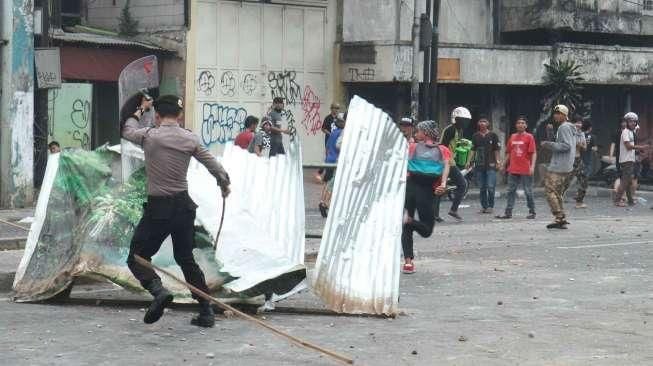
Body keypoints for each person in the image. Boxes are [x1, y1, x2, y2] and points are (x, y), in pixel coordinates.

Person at [122, 95, 231, 328]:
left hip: (158, 208)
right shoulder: (190, 138)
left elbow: (128, 129)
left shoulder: (149, 136)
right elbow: (213, 165)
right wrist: (224, 183)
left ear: (158, 116)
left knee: (137, 256)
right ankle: (206, 311)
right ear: (180, 115)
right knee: (185, 258)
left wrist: (140, 110)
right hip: (184, 207)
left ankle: (158, 291)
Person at [403, 121, 450, 274]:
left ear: (426, 133)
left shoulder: (412, 147)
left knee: (406, 227)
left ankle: (408, 262)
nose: (416, 134)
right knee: (427, 230)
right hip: (427, 191)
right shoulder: (443, 149)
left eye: (419, 131)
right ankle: (408, 260)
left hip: (409, 187)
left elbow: (404, 167)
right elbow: (446, 167)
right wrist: (443, 184)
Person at [541, 104, 576, 229]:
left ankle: (559, 216)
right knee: (557, 193)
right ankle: (560, 218)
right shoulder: (569, 127)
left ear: (564, 115)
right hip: (567, 165)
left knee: (550, 191)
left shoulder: (564, 127)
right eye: (555, 113)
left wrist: (548, 144)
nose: (556, 115)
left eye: (558, 113)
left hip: (558, 166)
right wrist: (550, 133)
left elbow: (566, 146)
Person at [496, 116, 537, 219]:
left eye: (523, 123)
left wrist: (532, 167)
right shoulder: (512, 137)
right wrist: (503, 164)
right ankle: (508, 212)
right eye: (519, 123)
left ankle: (532, 212)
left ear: (526, 125)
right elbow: (509, 153)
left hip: (525, 169)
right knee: (510, 191)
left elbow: (534, 153)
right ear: (516, 125)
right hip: (513, 169)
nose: (520, 124)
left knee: (528, 191)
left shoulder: (529, 137)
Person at [436, 106, 471, 221]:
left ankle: (438, 213)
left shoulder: (459, 131)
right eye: (462, 120)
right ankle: (453, 210)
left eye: (466, 121)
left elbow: (453, 145)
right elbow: (442, 145)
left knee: (441, 187)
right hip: (446, 162)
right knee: (462, 184)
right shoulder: (450, 129)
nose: (465, 123)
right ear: (456, 119)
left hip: (451, 161)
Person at [467, 116, 500, 214]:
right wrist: (469, 161)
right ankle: (484, 206)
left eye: (484, 121)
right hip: (479, 165)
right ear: (478, 123)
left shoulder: (493, 135)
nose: (482, 123)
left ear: (488, 123)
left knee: (490, 186)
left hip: (491, 164)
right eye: (480, 121)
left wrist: (498, 162)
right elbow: (472, 150)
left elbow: (497, 150)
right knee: (482, 187)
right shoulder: (475, 136)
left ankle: (490, 206)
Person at [614, 112, 649, 207]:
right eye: (630, 121)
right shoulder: (625, 132)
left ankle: (630, 201)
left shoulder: (631, 132)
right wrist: (641, 147)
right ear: (626, 122)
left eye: (634, 121)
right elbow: (628, 146)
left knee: (629, 181)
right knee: (625, 181)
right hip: (626, 160)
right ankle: (617, 200)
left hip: (630, 159)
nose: (632, 123)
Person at [318, 114, 346, 218]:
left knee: (327, 182)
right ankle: (326, 203)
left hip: (329, 159)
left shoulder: (333, 133)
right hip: (336, 161)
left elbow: (327, 148)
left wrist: (327, 158)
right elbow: (338, 146)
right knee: (334, 183)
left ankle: (322, 200)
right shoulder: (343, 133)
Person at [575, 119, 596, 208]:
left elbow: (584, 147)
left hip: (578, 159)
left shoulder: (582, 134)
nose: (578, 125)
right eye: (576, 122)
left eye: (580, 123)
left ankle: (579, 200)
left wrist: (580, 145)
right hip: (572, 159)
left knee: (583, 180)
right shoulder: (570, 133)